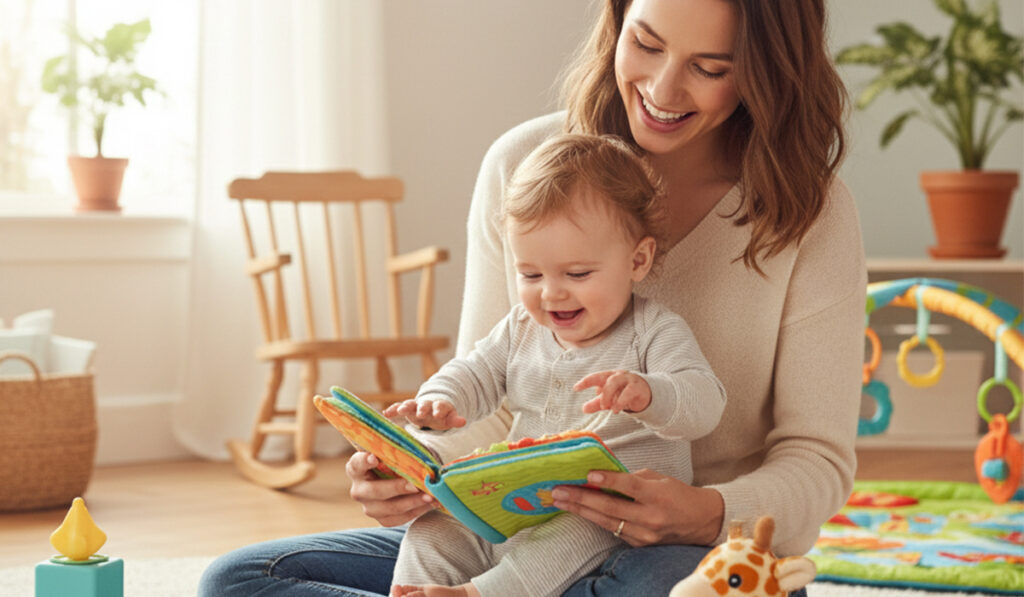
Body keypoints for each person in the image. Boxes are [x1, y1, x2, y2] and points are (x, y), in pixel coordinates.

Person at [199, 0, 865, 595]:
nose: (663, 88)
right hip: (517, 530)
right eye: (648, 43)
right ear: (616, 21)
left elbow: (817, 457)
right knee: (240, 579)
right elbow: (486, 401)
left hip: (685, 557)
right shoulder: (525, 165)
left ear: (765, 71)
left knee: (658, 583)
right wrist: (416, 466)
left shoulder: (809, 210)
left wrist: (709, 509)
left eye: (710, 67)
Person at [384, 133, 726, 597]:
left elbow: (704, 403)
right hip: (518, 501)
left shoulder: (655, 331)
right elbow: (474, 371)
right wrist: (438, 402)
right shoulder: (521, 327)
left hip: (607, 515)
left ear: (638, 260)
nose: (551, 293)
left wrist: (650, 393)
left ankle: (482, 595)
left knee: (573, 530)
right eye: (530, 274)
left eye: (578, 274)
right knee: (431, 531)